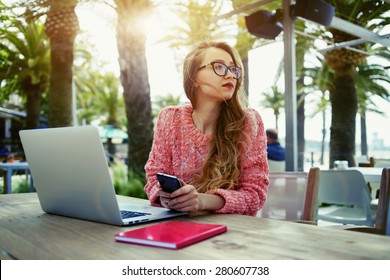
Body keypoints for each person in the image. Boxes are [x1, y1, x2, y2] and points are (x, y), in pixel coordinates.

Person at [144, 41, 269, 216]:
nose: (230, 75)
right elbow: (153, 178)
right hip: (175, 225)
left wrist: (202, 201)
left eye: (233, 69)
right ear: (194, 78)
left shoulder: (249, 122)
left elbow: (255, 194)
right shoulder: (169, 119)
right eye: (219, 66)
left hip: (232, 234)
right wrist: (163, 196)